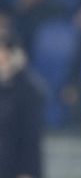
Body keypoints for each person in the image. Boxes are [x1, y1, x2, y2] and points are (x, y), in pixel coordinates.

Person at [0, 27, 46, 178]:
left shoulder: (28, 88)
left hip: (18, 169)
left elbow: (31, 137)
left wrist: (27, 172)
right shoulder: (4, 86)